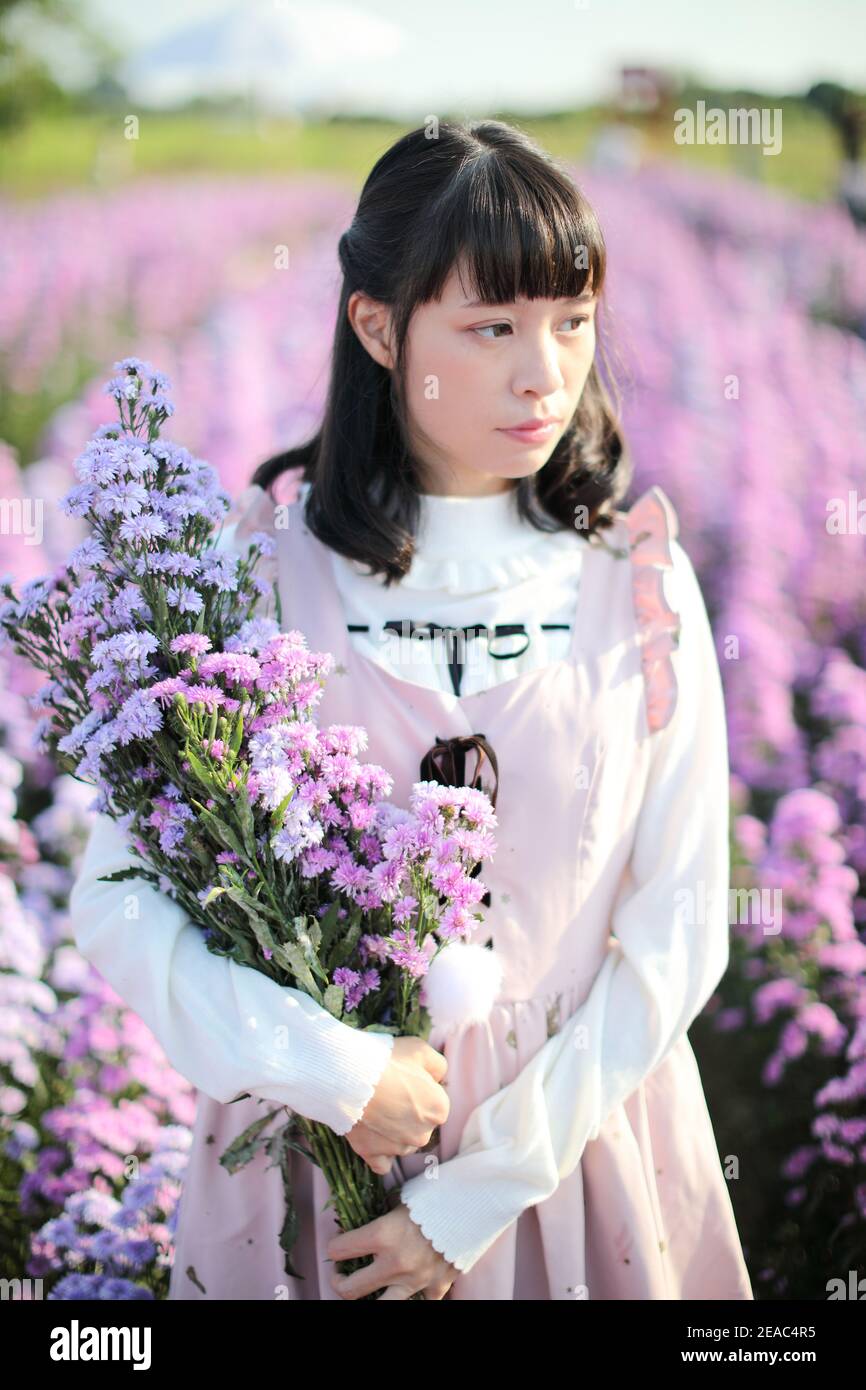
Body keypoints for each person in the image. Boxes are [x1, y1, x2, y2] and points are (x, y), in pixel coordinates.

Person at [69, 119, 753, 1302]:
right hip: (302, 1174)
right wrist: (331, 1071)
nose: (544, 371)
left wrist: (474, 1191)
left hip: (572, 1168)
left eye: (570, 320)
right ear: (379, 328)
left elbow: (678, 928)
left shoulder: (633, 580)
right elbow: (116, 895)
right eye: (491, 328)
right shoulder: (257, 574)